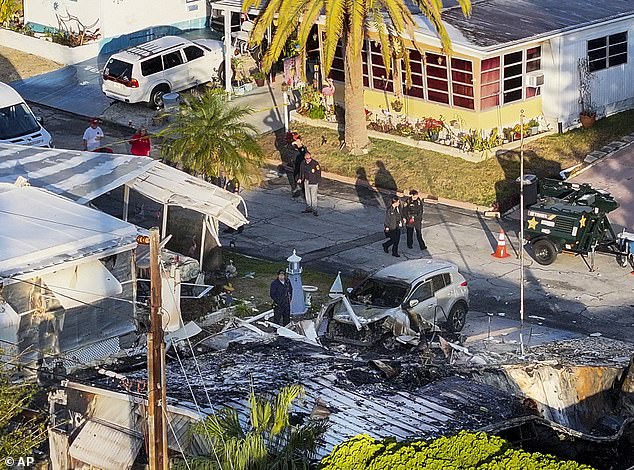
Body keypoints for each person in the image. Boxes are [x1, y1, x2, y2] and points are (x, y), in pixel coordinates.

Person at [297, 151, 321, 216]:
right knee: (307, 196)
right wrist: (300, 178)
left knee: (313, 196)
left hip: (313, 182)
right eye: (307, 158)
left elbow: (318, 173)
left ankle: (315, 209)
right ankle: (309, 207)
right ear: (305, 158)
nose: (308, 159)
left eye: (309, 158)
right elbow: (301, 172)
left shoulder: (315, 163)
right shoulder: (303, 163)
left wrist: (317, 181)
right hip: (306, 181)